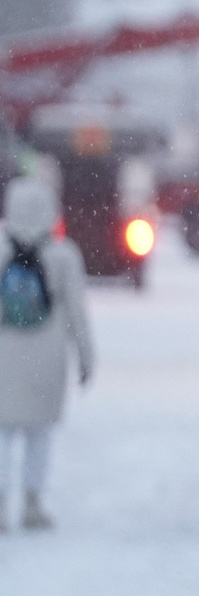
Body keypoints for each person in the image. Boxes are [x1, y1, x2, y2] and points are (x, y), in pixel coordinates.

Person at [0, 176, 94, 532]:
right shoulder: (64, 255)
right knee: (39, 436)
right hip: (46, 358)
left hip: (4, 359)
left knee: (2, 435)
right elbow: (76, 314)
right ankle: (32, 504)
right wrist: (86, 357)